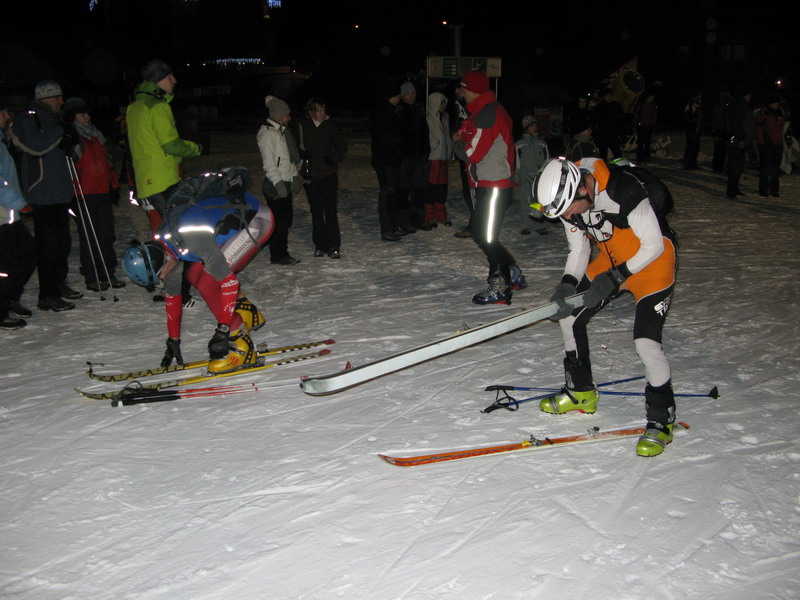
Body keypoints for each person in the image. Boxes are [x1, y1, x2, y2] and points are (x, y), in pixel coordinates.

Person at [531, 157, 678, 457]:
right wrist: (567, 284)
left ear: (583, 191)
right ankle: (581, 392)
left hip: (653, 263)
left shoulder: (623, 190)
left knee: (646, 342)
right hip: (611, 262)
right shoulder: (565, 199)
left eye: (569, 210)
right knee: (569, 316)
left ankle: (662, 419)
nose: (568, 217)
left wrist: (616, 278)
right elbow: (579, 249)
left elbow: (654, 245)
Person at [121, 167, 271, 373]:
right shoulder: (166, 245)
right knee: (193, 274)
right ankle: (246, 312)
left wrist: (223, 329)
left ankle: (242, 345)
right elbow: (173, 299)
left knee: (208, 283)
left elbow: (229, 283)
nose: (162, 280)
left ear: (160, 265)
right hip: (234, 221)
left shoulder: (190, 238)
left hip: (257, 220)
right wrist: (173, 340)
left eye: (158, 277)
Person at [126, 59, 202, 305]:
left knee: (166, 235)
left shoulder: (134, 107)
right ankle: (179, 294)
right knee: (183, 238)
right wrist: (194, 148)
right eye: (170, 77)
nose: (174, 81)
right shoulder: (158, 107)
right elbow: (170, 144)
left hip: (147, 181)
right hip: (164, 181)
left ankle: (165, 284)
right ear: (158, 80)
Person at [452, 69, 526, 305]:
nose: (461, 92)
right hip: (488, 183)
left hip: (494, 185)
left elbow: (472, 153)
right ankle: (511, 271)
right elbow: (470, 135)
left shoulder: (488, 113)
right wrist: (463, 136)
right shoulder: (482, 111)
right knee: (482, 232)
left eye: (463, 88)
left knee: (485, 235)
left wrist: (457, 143)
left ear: (472, 90)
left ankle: (500, 286)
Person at [9, 80, 83, 312]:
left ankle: (58, 284)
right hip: (42, 192)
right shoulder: (27, 119)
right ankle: (48, 294)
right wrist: (60, 131)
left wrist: (72, 139)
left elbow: (72, 153)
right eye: (57, 97)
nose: (61, 101)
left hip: (60, 191)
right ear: (45, 98)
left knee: (62, 244)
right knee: (48, 246)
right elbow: (36, 145)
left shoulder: (55, 119)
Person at [63, 97, 124, 291]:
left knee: (107, 234)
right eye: (82, 114)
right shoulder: (72, 137)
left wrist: (113, 185)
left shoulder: (96, 135)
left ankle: (108, 272)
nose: (87, 117)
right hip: (84, 193)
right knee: (90, 236)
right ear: (73, 117)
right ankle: (92, 275)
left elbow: (108, 161)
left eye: (87, 113)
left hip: (102, 191)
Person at [0, 99, 37, 329]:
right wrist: (19, 203)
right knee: (5, 266)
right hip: (3, 214)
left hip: (8, 213)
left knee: (27, 253)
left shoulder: (2, 141)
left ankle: (10, 298)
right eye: (3, 112)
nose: (7, 117)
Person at [298, 97, 347, 258]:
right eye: (318, 110)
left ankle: (333, 245)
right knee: (316, 211)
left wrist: (333, 158)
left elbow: (341, 146)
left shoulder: (329, 127)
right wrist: (302, 157)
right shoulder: (303, 127)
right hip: (311, 175)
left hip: (328, 174)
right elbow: (295, 148)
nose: (322, 113)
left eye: (323, 110)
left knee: (330, 211)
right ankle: (319, 244)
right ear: (311, 112)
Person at [257, 95, 301, 265]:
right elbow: (269, 163)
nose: (289, 118)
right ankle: (278, 255)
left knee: (285, 221)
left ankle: (280, 251)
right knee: (279, 223)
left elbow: (287, 159)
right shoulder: (268, 134)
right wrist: (278, 183)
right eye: (286, 115)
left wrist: (294, 175)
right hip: (275, 185)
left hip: (285, 181)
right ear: (279, 115)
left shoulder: (281, 132)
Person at [369, 79, 404, 241]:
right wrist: (396, 147)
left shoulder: (388, 110)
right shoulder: (384, 112)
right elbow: (386, 138)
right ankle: (387, 228)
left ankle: (392, 226)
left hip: (389, 159)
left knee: (392, 193)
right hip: (386, 160)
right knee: (387, 193)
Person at [396, 81, 431, 231]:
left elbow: (424, 132)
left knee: (419, 189)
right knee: (404, 189)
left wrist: (426, 150)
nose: (410, 96)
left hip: (419, 156)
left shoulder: (418, 110)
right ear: (402, 96)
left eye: (412, 93)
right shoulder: (399, 111)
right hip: (406, 157)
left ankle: (418, 219)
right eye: (407, 94)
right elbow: (397, 136)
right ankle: (404, 220)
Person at [513, 114, 549, 234]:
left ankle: (539, 224)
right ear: (526, 127)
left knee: (538, 201)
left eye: (535, 125)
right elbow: (517, 162)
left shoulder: (542, 143)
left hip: (539, 177)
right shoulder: (519, 144)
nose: (534, 127)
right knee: (525, 201)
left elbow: (547, 161)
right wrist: (517, 176)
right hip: (525, 176)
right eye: (531, 125)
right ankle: (525, 225)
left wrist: (545, 175)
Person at [425, 91, 452, 228]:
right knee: (431, 187)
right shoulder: (429, 119)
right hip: (434, 158)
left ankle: (440, 215)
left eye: (444, 103)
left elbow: (446, 137)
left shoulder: (444, 118)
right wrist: (435, 147)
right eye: (441, 103)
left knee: (442, 188)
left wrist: (449, 150)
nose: (443, 105)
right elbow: (429, 137)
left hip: (443, 158)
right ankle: (429, 215)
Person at [451, 85, 474, 238]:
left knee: (472, 192)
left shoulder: (471, 107)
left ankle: (475, 226)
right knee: (467, 191)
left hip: (470, 153)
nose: (457, 92)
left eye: (460, 89)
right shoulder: (459, 106)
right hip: (464, 151)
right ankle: (474, 223)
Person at [724, 87, 752, 199]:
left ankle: (733, 188)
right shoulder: (741, 106)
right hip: (737, 139)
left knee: (735, 165)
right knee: (736, 165)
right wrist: (742, 139)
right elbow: (738, 124)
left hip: (733, 138)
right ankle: (731, 190)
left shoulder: (733, 105)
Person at [755, 94, 786, 198]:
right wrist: (761, 143)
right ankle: (763, 189)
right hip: (767, 143)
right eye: (774, 103)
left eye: (777, 102)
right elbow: (759, 129)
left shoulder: (780, 113)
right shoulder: (764, 114)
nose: (776, 104)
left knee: (775, 168)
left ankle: (774, 189)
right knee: (765, 167)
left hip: (777, 143)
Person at [592, 89, 624, 161]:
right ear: (604, 97)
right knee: (603, 154)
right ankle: (603, 167)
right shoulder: (599, 107)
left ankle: (620, 166)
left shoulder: (616, 105)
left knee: (618, 154)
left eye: (610, 95)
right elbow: (595, 121)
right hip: (603, 134)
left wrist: (620, 132)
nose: (609, 97)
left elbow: (621, 119)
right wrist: (595, 135)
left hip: (613, 133)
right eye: (607, 96)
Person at [634, 92, 657, 164]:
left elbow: (655, 116)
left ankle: (646, 156)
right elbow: (637, 113)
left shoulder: (653, 105)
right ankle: (639, 157)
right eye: (651, 97)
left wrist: (653, 125)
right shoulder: (642, 104)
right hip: (641, 126)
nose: (651, 98)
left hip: (649, 126)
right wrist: (636, 123)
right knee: (640, 142)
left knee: (647, 142)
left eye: (653, 97)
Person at [683, 92, 703, 170]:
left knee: (695, 147)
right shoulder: (690, 104)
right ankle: (687, 164)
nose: (700, 97)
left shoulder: (699, 104)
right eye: (699, 96)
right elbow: (687, 116)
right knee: (690, 147)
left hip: (697, 129)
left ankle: (693, 163)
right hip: (691, 129)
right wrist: (693, 119)